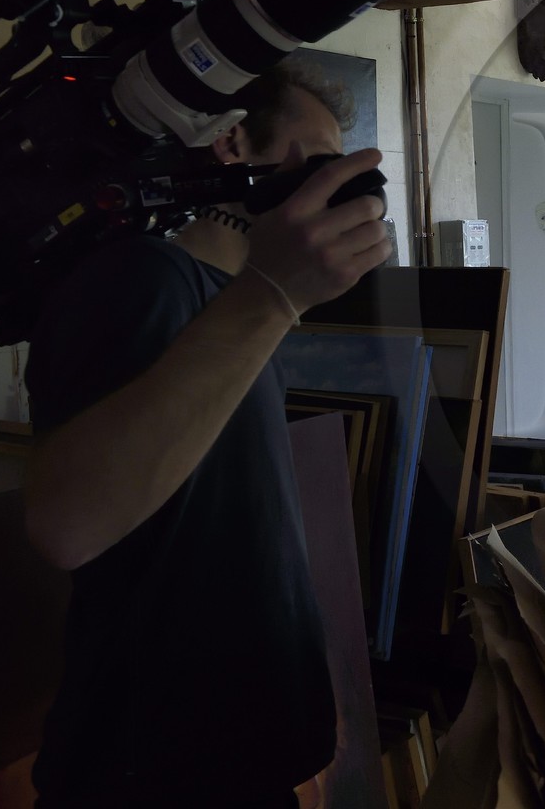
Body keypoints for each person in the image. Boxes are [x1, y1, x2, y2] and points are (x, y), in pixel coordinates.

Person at [23, 61, 392, 807]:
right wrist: (277, 294)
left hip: (230, 763)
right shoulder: (145, 278)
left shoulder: (234, 307)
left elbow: (236, 527)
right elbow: (68, 523)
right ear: (230, 146)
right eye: (313, 162)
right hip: (153, 773)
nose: (331, 186)